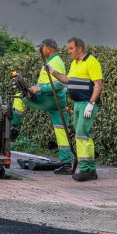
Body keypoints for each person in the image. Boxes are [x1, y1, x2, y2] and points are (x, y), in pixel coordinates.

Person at [11, 38, 73, 174]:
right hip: (57, 102)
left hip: (49, 99)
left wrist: (39, 90)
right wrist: (35, 87)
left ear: (48, 49)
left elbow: (60, 84)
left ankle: (14, 128)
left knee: (19, 97)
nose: (41, 50)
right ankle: (67, 164)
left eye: (42, 48)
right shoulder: (53, 61)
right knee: (61, 131)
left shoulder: (54, 62)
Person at [48, 37, 103, 182]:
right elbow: (67, 80)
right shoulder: (74, 63)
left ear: (79, 48)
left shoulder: (92, 62)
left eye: (71, 49)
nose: (69, 52)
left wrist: (91, 104)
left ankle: (85, 169)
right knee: (85, 135)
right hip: (78, 104)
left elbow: (98, 84)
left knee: (81, 134)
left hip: (86, 103)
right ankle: (91, 169)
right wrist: (52, 71)